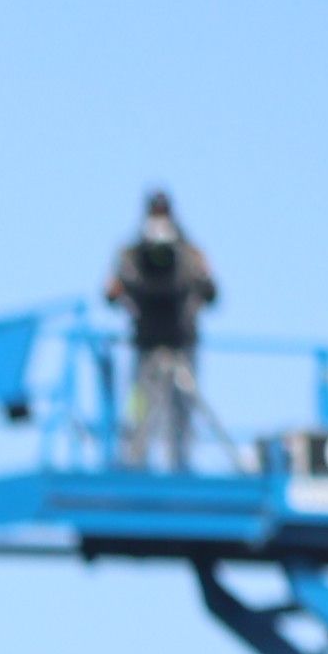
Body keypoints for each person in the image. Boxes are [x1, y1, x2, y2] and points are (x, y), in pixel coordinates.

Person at [111, 190, 220, 471]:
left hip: (181, 342)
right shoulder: (131, 254)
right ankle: (135, 460)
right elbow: (111, 293)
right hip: (145, 344)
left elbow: (212, 293)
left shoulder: (190, 254)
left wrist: (198, 276)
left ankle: (181, 462)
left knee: (182, 406)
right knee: (139, 404)